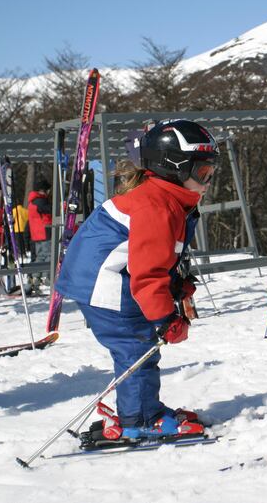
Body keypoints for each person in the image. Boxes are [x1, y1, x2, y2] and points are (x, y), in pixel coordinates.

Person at [55, 119, 217, 439]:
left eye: (211, 172)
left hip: (107, 275)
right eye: (203, 173)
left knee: (139, 343)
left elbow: (155, 256)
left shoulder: (166, 198)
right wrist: (165, 317)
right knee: (136, 345)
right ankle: (140, 419)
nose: (208, 181)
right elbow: (147, 272)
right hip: (102, 281)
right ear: (175, 168)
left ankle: (143, 409)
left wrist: (175, 285)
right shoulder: (156, 205)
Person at [27, 178, 52, 289]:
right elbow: (50, 210)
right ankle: (47, 276)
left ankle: (35, 276)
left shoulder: (32, 201)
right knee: (49, 255)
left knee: (40, 255)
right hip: (45, 231)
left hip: (36, 233)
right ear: (43, 190)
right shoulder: (40, 201)